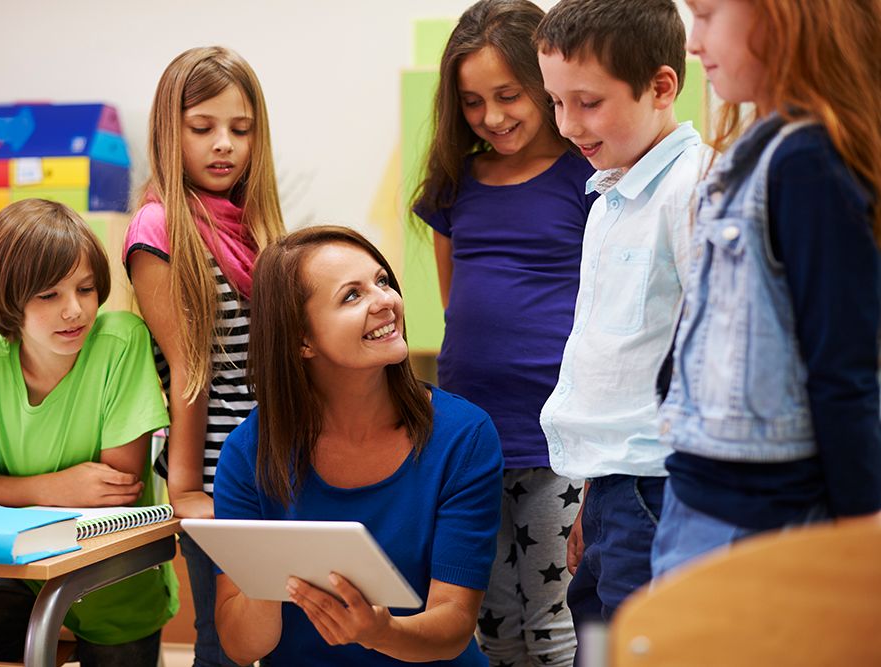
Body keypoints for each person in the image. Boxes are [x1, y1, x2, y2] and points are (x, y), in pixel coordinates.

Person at [650, 0, 881, 577]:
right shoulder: (752, 156)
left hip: (763, 514)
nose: (693, 42)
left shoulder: (808, 162)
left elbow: (842, 368)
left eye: (706, 16)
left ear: (785, 17)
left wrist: (860, 538)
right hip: (699, 486)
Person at [211, 226, 503, 666]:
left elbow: (454, 623)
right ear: (301, 340)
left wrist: (381, 632)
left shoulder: (463, 435)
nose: (385, 301)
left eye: (382, 281)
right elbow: (240, 647)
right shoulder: (247, 452)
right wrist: (266, 577)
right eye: (352, 296)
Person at [411, 0, 596, 663]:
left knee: (555, 610)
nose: (491, 116)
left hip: (558, 437)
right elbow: (455, 302)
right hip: (472, 433)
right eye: (471, 102)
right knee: (491, 610)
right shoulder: (455, 183)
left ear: (544, 83)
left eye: (507, 95)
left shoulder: (587, 175)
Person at [0, 198, 176, 665]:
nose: (74, 311)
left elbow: (114, 487)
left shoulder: (120, 341)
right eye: (48, 295)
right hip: (26, 576)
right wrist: (55, 486)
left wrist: (13, 491)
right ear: (6, 298)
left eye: (86, 288)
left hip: (115, 582)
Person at [534, 0, 714, 636]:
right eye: (556, 102)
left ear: (661, 87)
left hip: (664, 487)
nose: (567, 124)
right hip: (612, 483)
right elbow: (614, 371)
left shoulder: (694, 188)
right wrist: (590, 494)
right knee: (598, 639)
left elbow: (710, 353)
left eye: (587, 102)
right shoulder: (610, 196)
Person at [123, 46, 285, 667]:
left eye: (240, 130)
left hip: (275, 460)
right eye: (203, 128)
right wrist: (186, 489)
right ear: (171, 130)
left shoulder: (254, 224)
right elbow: (188, 370)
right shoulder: (159, 230)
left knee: (283, 635)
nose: (224, 145)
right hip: (217, 473)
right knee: (224, 644)